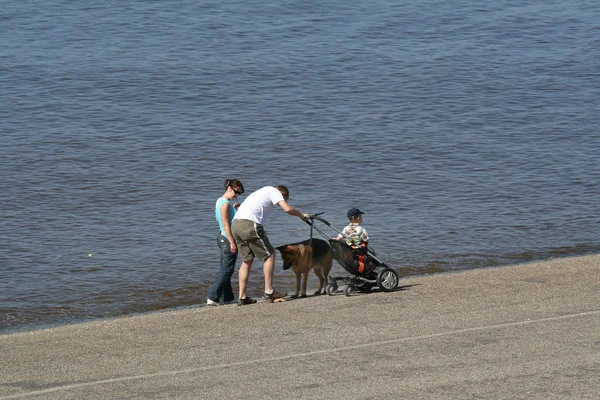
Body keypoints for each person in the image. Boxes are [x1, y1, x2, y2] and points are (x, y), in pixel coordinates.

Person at [231, 185, 309, 305]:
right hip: (249, 224)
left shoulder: (260, 192)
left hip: (235, 225)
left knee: (246, 260)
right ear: (283, 194)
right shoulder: (274, 191)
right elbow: (287, 209)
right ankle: (269, 292)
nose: (279, 203)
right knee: (270, 254)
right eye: (284, 199)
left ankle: (242, 297)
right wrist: (301, 215)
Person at [207, 179, 245, 306]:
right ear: (229, 188)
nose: (237, 195)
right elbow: (225, 225)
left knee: (226, 269)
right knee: (227, 270)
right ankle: (212, 296)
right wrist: (232, 242)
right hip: (227, 239)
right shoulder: (224, 204)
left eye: (239, 193)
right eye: (236, 192)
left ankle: (227, 297)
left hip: (223, 238)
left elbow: (230, 221)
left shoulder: (222, 202)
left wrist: (237, 209)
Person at [335, 208, 370, 273]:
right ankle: (365, 268)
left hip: (349, 250)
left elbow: (340, 236)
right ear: (358, 218)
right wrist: (365, 242)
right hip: (358, 251)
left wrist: (337, 239)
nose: (362, 218)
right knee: (370, 253)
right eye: (361, 217)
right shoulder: (361, 229)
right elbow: (366, 240)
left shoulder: (346, 228)